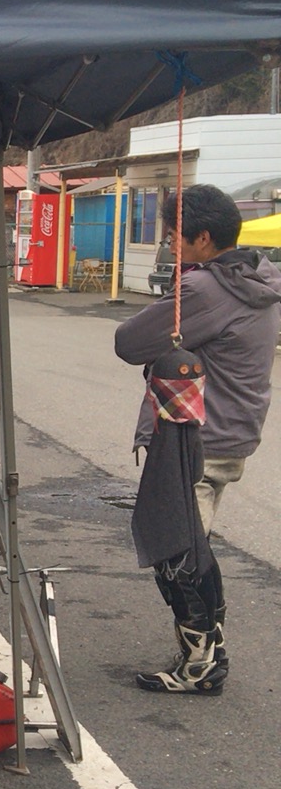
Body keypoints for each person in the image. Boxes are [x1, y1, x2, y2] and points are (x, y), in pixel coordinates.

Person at [114, 184, 281, 694]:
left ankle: (201, 663)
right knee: (193, 547)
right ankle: (208, 652)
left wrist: (179, 294)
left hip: (196, 442)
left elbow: (130, 342)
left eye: (174, 236)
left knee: (176, 553)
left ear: (203, 238)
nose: (169, 244)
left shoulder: (207, 289)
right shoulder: (258, 275)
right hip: (231, 432)